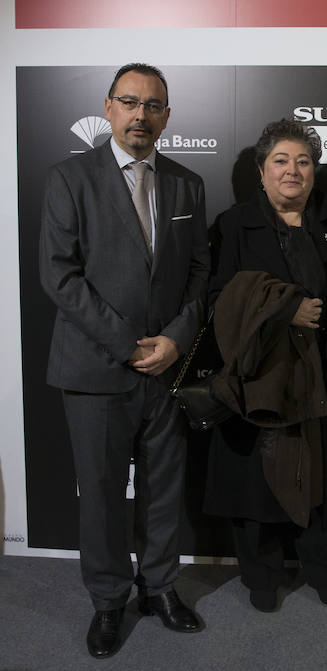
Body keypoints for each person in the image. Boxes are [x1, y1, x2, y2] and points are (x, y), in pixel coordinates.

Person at [39, 63, 209, 658]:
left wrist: (173, 341)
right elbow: (59, 275)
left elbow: (198, 274)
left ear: (167, 115)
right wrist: (128, 344)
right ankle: (109, 600)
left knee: (164, 490)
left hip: (167, 370)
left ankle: (160, 588)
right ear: (109, 108)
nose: (142, 115)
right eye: (130, 102)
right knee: (105, 492)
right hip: (96, 369)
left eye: (154, 105)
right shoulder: (69, 178)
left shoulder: (188, 184)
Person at [203, 120, 327, 614]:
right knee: (256, 480)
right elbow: (216, 299)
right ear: (262, 171)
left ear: (314, 171)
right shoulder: (233, 225)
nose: (293, 171)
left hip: (320, 376)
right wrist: (280, 308)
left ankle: (322, 568)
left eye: (303, 161)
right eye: (281, 161)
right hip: (258, 377)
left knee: (319, 478)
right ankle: (261, 575)